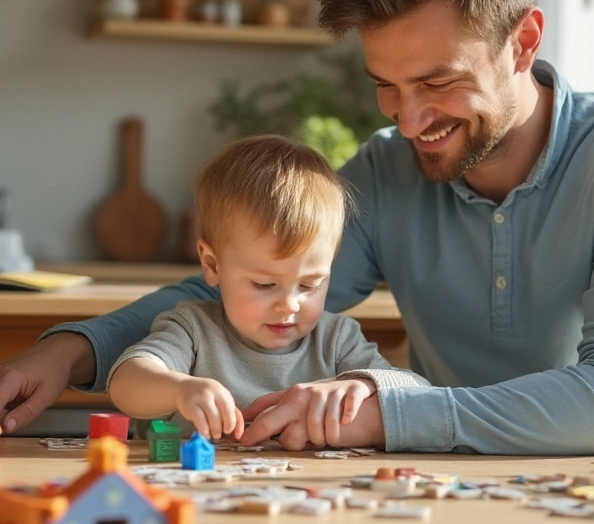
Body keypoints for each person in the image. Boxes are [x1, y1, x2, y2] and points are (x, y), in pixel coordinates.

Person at [0, 0, 594, 455]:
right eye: (387, 84)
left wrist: (384, 413)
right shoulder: (388, 171)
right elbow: (224, 290)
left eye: (438, 82)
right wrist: (69, 352)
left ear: (523, 43)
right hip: (448, 493)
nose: (409, 120)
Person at [106, 135, 427, 441]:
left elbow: (419, 394)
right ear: (213, 264)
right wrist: (178, 390)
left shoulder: (337, 341)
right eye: (265, 284)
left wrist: (366, 383)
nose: (289, 304)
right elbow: (126, 383)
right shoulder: (192, 330)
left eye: (310, 284)